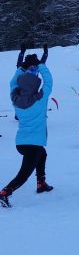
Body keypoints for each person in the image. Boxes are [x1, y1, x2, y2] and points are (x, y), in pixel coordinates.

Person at [0, 55, 53, 208]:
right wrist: (40, 64)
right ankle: (5, 192)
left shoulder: (15, 98)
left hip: (21, 142)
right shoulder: (40, 99)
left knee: (43, 154)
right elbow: (48, 82)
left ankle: (41, 183)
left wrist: (23, 67)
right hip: (33, 144)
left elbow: (12, 83)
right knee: (24, 174)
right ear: (35, 86)